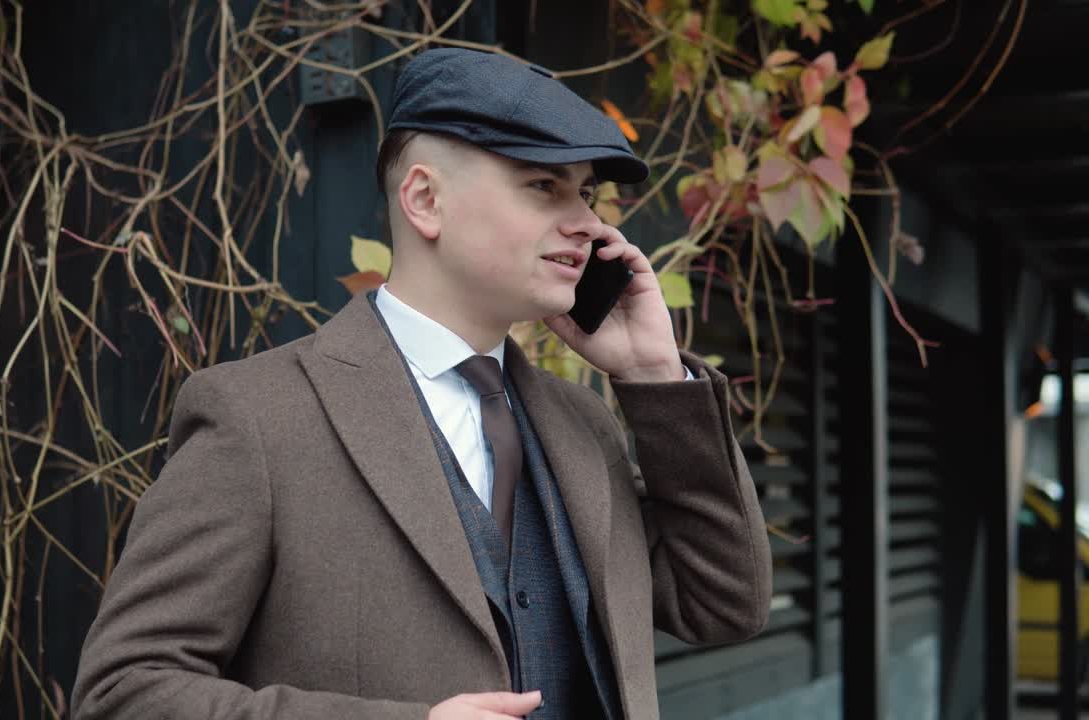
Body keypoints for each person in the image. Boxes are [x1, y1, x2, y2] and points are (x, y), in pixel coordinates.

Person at [70, 48, 771, 720]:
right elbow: (123, 693)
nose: (588, 223)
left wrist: (654, 376)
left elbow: (724, 605)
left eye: (587, 193)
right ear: (425, 200)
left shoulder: (584, 422)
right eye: (543, 185)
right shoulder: (258, 417)